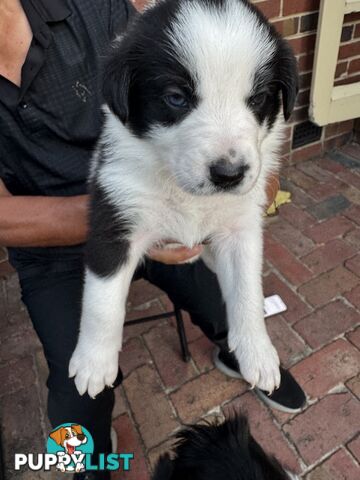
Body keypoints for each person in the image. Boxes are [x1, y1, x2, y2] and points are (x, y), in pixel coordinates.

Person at [0, 1, 306, 479]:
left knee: (226, 305)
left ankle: (243, 349)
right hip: (54, 247)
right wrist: (120, 214)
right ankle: (91, 461)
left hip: (175, 194)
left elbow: (241, 215)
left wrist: (251, 189)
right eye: (180, 98)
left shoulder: (90, 10)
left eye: (256, 98)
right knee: (81, 382)